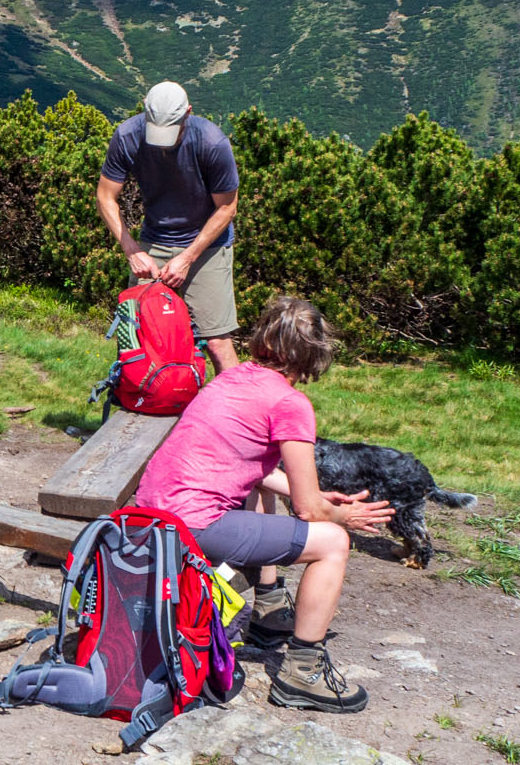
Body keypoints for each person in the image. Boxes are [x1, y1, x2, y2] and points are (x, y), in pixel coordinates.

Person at [134, 295, 393, 714]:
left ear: (263, 339)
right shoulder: (290, 403)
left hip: (152, 513)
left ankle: (269, 609)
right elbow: (311, 512)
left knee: (270, 490)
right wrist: (343, 515)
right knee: (333, 543)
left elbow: (247, 467)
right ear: (315, 351)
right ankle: (302, 672)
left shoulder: (231, 380)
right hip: (192, 525)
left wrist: (303, 493)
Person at [94, 81, 240, 374]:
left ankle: (235, 413)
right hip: (154, 240)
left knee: (216, 342)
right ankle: (140, 406)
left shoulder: (212, 142)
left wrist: (187, 258)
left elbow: (227, 207)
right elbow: (105, 195)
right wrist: (132, 250)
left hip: (207, 245)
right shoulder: (127, 136)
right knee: (136, 334)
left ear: (188, 113)